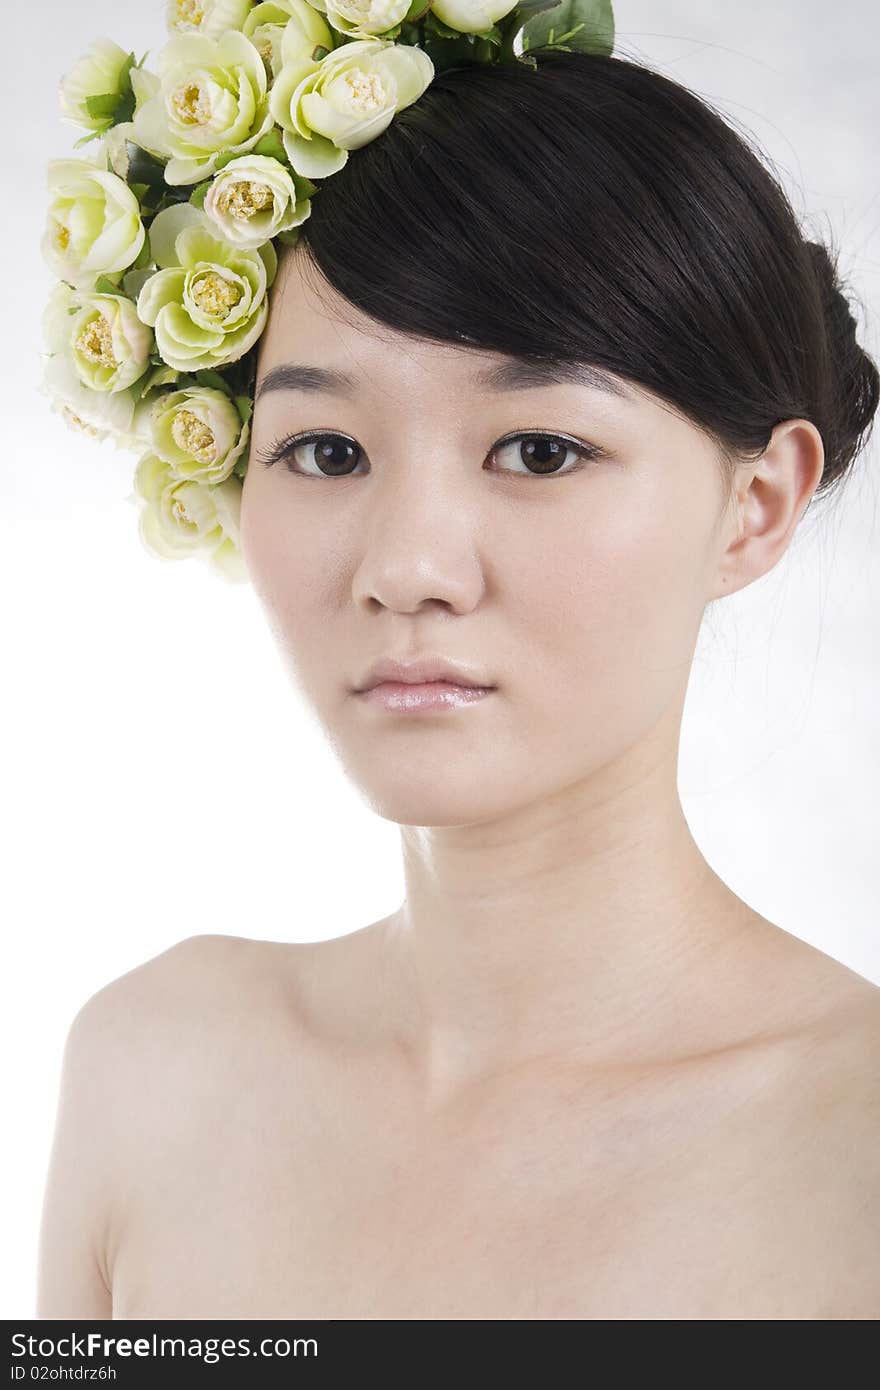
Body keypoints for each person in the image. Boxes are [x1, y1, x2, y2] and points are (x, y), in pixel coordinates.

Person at [37, 47, 880, 1320]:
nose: (407, 566)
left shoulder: (850, 1148)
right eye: (325, 449)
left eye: (538, 448)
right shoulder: (154, 1066)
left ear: (754, 507)